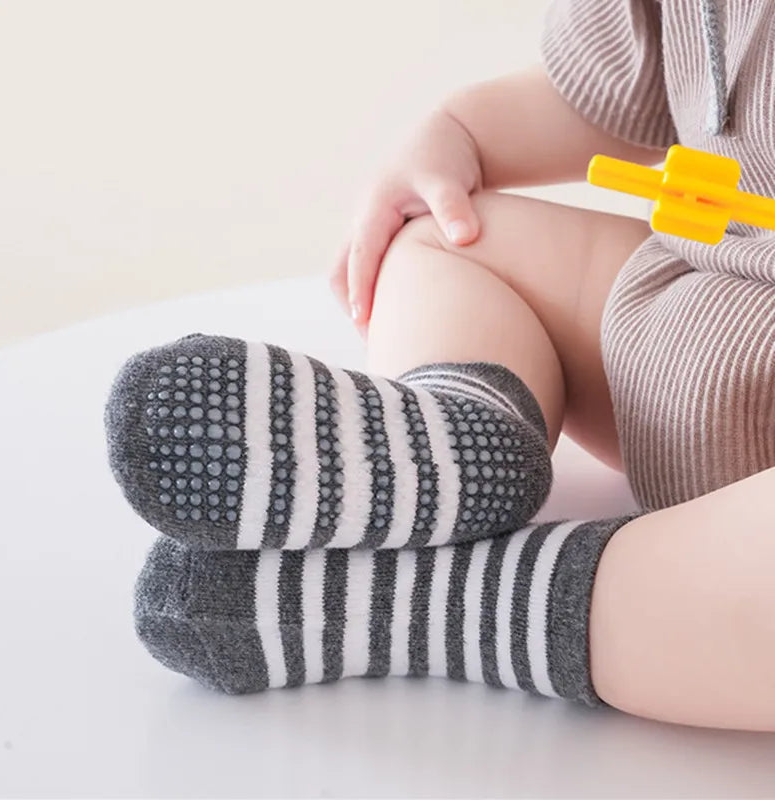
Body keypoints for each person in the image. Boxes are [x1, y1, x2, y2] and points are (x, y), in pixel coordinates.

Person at [105, 0, 775, 731]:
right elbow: (605, 91)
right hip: (702, 306)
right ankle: (464, 435)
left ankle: (441, 599)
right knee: (447, 232)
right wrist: (461, 134)